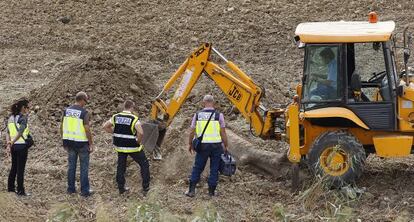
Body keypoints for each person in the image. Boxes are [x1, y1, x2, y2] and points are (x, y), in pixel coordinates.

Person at [102, 100, 150, 195]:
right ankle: (145, 188)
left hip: (120, 146)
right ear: (132, 107)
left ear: (124, 107)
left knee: (121, 166)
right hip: (133, 147)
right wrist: (138, 141)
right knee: (144, 164)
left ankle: (121, 188)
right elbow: (140, 132)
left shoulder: (116, 117)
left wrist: (115, 133)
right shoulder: (134, 118)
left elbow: (105, 126)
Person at [185, 94, 228, 197]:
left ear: (203, 103)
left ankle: (191, 191)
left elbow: (192, 131)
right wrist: (225, 145)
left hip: (202, 146)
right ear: (213, 103)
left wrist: (190, 144)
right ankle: (211, 192)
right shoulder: (219, 115)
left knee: (198, 167)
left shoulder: (197, 115)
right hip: (216, 146)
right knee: (214, 168)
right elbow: (223, 132)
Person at [61, 91, 93, 197]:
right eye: (86, 101)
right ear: (82, 99)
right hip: (82, 144)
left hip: (69, 142)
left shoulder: (66, 111)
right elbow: (87, 129)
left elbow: (61, 126)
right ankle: (85, 191)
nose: (86, 103)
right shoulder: (84, 113)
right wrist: (91, 143)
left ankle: (71, 189)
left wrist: (63, 139)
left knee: (71, 167)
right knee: (84, 167)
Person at [6, 99, 31, 196]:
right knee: (20, 169)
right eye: (27, 107)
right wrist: (13, 141)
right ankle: (21, 191)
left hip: (13, 147)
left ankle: (10, 188)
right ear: (23, 108)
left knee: (14, 167)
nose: (28, 109)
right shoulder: (23, 118)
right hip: (21, 147)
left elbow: (8, 132)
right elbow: (20, 132)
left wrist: (9, 143)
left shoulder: (11, 118)